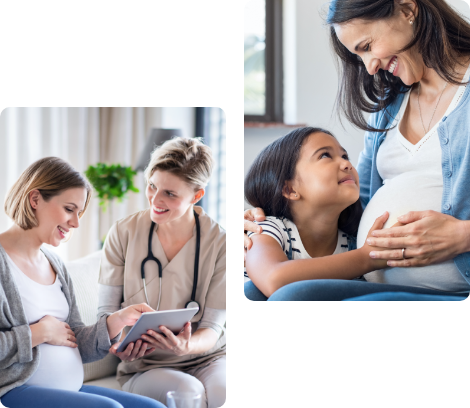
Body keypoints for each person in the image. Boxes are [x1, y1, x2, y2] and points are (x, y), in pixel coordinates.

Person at [244, 0, 470, 301]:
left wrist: (462, 236)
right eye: (357, 55)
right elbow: (357, 204)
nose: (370, 67)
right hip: (376, 278)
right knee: (253, 292)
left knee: (291, 297)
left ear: (407, 10)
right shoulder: (389, 107)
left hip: (454, 288)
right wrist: (264, 219)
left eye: (367, 46)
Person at [0, 157, 166, 407]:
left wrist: (115, 321)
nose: (76, 223)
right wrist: (38, 333)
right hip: (12, 390)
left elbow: (77, 342)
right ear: (35, 200)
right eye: (69, 209)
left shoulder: (55, 264)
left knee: (155, 407)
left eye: (79, 213)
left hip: (70, 388)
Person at [99, 137, 226, 408]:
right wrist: (121, 343)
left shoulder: (220, 243)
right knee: (187, 392)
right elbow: (105, 316)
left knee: (222, 392)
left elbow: (213, 328)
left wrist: (185, 347)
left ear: (197, 195)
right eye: (152, 186)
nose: (155, 200)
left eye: (170, 193)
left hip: (209, 358)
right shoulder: (124, 233)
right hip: (145, 366)